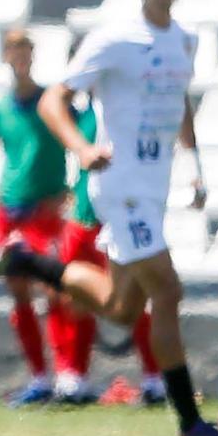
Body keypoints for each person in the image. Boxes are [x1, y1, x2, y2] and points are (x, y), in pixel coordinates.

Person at [0, 0, 218, 436]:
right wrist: (82, 151)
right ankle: (192, 426)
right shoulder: (113, 39)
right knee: (168, 293)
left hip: (153, 189)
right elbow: (54, 101)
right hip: (120, 188)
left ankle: (30, 262)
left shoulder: (184, 39)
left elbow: (180, 105)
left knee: (123, 308)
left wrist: (194, 167)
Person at [0, 27, 78, 406]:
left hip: (46, 209)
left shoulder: (51, 101)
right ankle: (39, 377)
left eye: (25, 50)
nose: (20, 57)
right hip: (12, 210)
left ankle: (68, 375)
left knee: (55, 290)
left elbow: (81, 134)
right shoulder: (0, 109)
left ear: (32, 55)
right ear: (6, 56)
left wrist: (71, 190)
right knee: (18, 292)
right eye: (14, 50)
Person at [58, 96, 165, 406]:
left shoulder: (125, 111)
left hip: (119, 220)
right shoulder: (81, 115)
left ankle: (155, 378)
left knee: (136, 300)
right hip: (84, 219)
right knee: (74, 300)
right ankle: (73, 378)